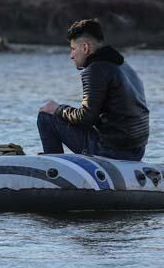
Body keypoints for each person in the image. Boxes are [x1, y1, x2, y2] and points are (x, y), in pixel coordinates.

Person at [37, 19, 149, 161]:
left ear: (85, 48)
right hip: (137, 151)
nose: (71, 56)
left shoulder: (95, 69)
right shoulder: (124, 66)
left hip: (111, 151)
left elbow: (86, 118)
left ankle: (53, 168)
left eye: (72, 49)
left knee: (46, 117)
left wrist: (57, 109)